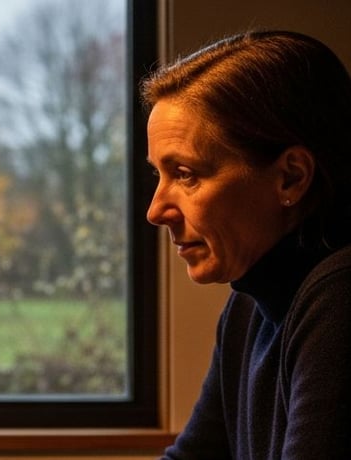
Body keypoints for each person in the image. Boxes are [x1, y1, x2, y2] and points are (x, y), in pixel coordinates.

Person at [141, 30, 351, 458]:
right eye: (158, 175)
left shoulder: (340, 297)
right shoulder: (249, 305)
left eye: (185, 173)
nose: (156, 209)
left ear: (291, 176)